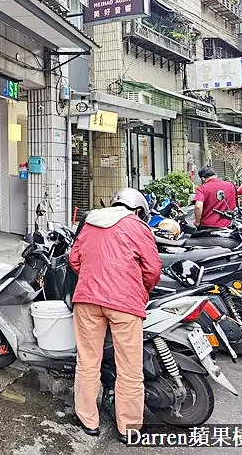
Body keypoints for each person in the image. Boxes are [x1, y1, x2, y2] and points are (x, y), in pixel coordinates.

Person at [69, 188, 161, 443]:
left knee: (87, 362)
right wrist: (140, 288)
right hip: (124, 304)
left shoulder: (91, 222)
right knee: (129, 368)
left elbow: (75, 260)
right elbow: (152, 270)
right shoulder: (138, 227)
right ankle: (128, 428)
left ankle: (88, 420)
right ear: (139, 210)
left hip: (86, 299)